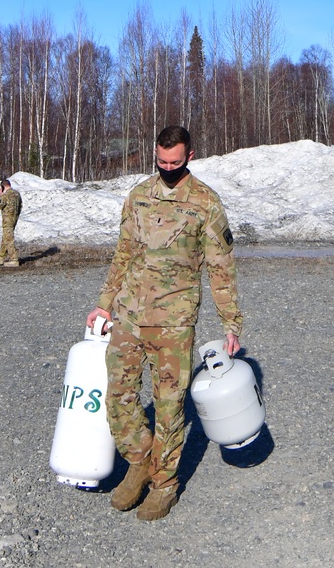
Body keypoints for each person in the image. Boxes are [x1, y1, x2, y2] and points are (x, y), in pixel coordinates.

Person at [86, 125, 243, 521]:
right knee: (118, 397)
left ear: (189, 156)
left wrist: (231, 324)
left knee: (170, 408)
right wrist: (104, 304)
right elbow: (122, 253)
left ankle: (164, 485)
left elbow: (221, 268)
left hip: (174, 322)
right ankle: (140, 460)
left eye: (175, 162)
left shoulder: (205, 203)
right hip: (129, 315)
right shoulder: (138, 196)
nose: (168, 168)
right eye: (161, 161)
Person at [0, 179, 22, 267]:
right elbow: (20, 206)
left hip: (7, 220)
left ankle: (14, 259)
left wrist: (0, 195)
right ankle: (1, 256)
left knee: (9, 239)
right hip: (14, 219)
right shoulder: (17, 194)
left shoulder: (5, 195)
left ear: (3, 187)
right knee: (5, 238)